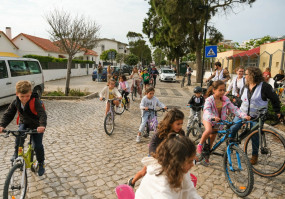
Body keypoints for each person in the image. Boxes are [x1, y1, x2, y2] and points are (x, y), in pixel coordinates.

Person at [230, 66, 281, 165]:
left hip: (257, 116)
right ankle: (231, 146)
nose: (245, 76)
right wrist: (237, 101)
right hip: (243, 113)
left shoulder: (265, 87)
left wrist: (278, 111)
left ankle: (254, 156)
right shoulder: (245, 86)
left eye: (246, 74)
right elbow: (242, 99)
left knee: (254, 136)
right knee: (233, 128)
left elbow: (275, 99)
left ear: (253, 75)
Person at [197, 80, 250, 165]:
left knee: (212, 139)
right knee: (209, 131)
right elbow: (206, 111)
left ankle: (207, 155)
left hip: (219, 122)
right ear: (214, 90)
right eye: (220, 90)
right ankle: (200, 144)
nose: (222, 92)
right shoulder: (209, 100)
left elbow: (234, 109)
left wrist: (243, 116)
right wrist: (212, 117)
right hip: (209, 119)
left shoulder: (225, 99)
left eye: (224, 90)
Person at [0, 80, 47, 176]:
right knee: (19, 136)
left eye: (27, 96)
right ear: (17, 94)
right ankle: (16, 153)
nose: (25, 99)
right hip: (24, 123)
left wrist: (42, 125)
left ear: (30, 93)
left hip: (37, 125)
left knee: (37, 145)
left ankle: (41, 163)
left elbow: (42, 114)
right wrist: (2, 125)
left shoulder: (35, 101)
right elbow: (8, 114)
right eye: (22, 96)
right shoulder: (16, 102)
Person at [128, 108, 185, 187]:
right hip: (156, 156)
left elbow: (184, 144)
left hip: (169, 158)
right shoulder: (161, 131)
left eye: (181, 123)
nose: (180, 126)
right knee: (144, 172)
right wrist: (156, 156)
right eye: (178, 124)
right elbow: (152, 144)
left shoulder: (181, 133)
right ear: (170, 122)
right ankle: (132, 182)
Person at [135, 133, 201, 199]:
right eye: (189, 161)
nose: (192, 165)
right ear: (176, 162)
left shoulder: (181, 170)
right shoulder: (160, 182)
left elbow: (190, 192)